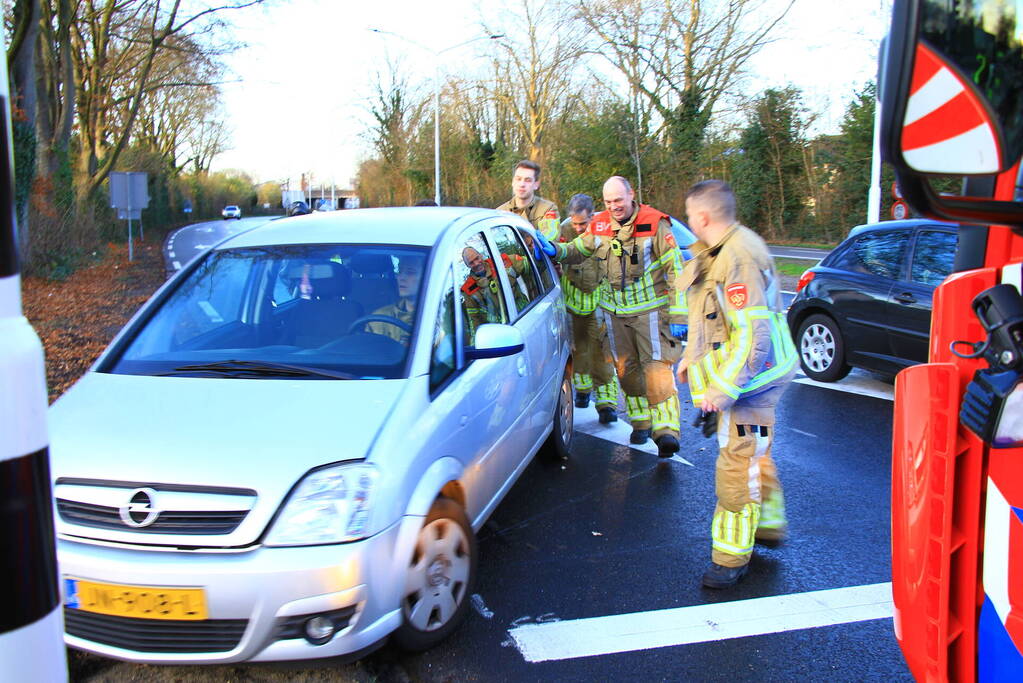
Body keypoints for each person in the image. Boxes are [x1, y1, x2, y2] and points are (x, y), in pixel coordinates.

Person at [674, 180, 797, 589]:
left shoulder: (737, 257)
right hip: (752, 380)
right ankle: (767, 525)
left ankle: (729, 559)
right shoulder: (726, 248)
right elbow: (709, 317)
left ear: (703, 217)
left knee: (737, 464)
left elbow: (752, 335)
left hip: (753, 384)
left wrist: (723, 389)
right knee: (753, 453)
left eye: (691, 216)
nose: (690, 222)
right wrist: (691, 357)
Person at [543, 176, 687, 457]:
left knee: (656, 369)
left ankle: (666, 430)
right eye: (609, 202)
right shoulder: (600, 224)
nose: (614, 206)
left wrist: (679, 314)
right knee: (627, 372)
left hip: (649, 311)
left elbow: (676, 269)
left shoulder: (656, 223)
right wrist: (556, 250)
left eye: (618, 200)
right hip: (614, 314)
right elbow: (579, 249)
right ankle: (641, 423)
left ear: (631, 194)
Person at [558, 193, 619, 423]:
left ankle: (607, 406)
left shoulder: (604, 230)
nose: (579, 227)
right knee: (578, 351)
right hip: (571, 303)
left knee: (602, 357)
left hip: (598, 303)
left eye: (583, 223)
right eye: (575, 223)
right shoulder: (563, 231)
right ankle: (582, 392)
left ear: (592, 216)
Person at [496, 160, 560, 241]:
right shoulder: (499, 212)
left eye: (528, 180)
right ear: (512, 182)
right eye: (518, 179)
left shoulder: (548, 209)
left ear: (536, 184)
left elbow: (549, 239)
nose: (522, 184)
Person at [367, 254, 423, 345]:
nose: (401, 278)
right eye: (399, 271)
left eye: (410, 272)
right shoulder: (379, 317)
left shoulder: (439, 318)